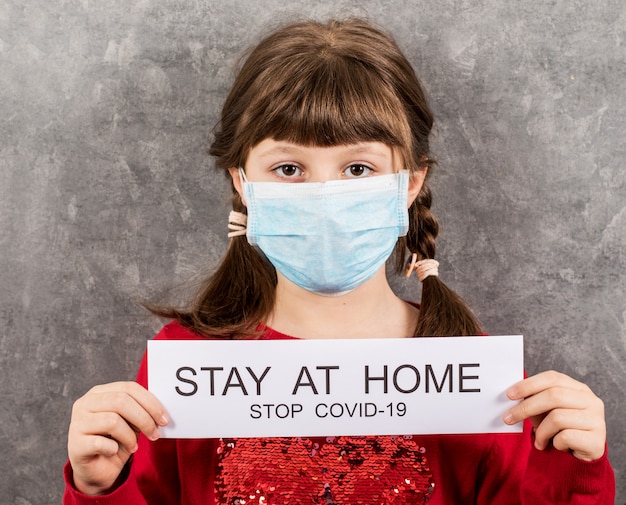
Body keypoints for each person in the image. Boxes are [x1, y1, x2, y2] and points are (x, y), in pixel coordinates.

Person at [63, 18, 615, 505]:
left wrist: (574, 470)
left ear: (411, 182)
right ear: (242, 183)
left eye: (357, 169)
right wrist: (99, 488)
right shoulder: (185, 366)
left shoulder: (471, 373)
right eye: (288, 169)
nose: (324, 194)